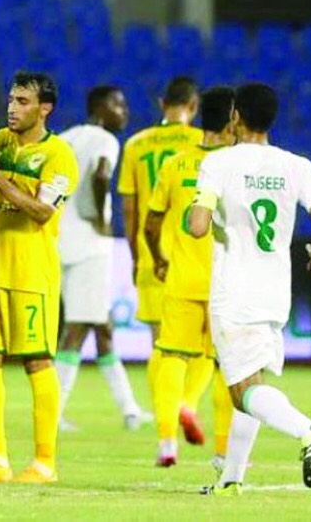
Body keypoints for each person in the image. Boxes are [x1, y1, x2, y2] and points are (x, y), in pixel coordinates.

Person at [188, 83, 311, 495]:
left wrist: (195, 209)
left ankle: (309, 430)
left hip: (234, 294)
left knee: (243, 393)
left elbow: (198, 226)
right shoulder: (298, 165)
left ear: (235, 116)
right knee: (251, 382)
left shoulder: (219, 164)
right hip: (275, 294)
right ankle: (231, 480)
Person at [0, 71, 79, 484]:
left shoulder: (59, 154)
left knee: (36, 361)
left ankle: (44, 463)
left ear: (45, 108)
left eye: (23, 101)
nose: (12, 107)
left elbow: (42, 212)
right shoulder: (1, 140)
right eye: (11, 99)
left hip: (32, 271)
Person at [145, 86, 237, 467]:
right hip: (227, 282)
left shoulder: (176, 163)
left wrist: (159, 259)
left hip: (181, 276)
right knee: (227, 364)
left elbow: (151, 224)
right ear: (234, 120)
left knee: (171, 356)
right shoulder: (240, 165)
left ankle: (167, 441)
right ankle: (221, 452)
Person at [55, 85, 150, 432]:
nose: (124, 111)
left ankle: (130, 410)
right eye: (118, 104)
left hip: (61, 239)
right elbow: (100, 175)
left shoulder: (66, 138)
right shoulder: (106, 140)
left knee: (102, 327)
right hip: (90, 243)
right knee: (77, 330)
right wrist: (101, 217)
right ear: (98, 106)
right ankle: (53, 413)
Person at [116, 76, 202, 416]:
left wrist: (137, 256)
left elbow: (130, 208)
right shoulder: (204, 143)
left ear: (161, 103)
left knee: (160, 343)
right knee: (201, 344)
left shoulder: (136, 145)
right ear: (193, 107)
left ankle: (166, 417)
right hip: (196, 256)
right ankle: (188, 404)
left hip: (153, 254)